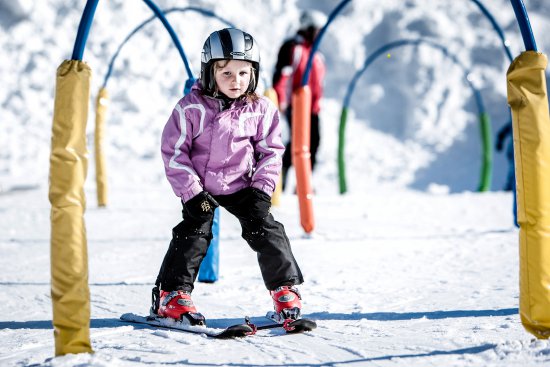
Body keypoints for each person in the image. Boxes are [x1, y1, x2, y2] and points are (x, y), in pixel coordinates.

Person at [151, 28, 305, 325]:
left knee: (266, 228)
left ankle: (284, 288)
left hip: (241, 185)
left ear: (254, 74)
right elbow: (174, 152)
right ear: (210, 73)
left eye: (244, 73)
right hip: (202, 190)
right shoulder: (190, 108)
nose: (236, 81)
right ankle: (172, 295)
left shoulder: (260, 110)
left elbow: (271, 151)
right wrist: (192, 193)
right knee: (195, 231)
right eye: (226, 74)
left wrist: (262, 189)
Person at [272, 9, 327, 191]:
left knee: (314, 142)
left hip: (312, 108)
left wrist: (318, 104)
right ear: (308, 29)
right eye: (317, 30)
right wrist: (280, 101)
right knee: (295, 142)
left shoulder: (317, 55)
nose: (320, 35)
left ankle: (304, 185)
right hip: (295, 106)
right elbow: (282, 75)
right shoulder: (293, 48)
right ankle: (281, 180)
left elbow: (318, 83)